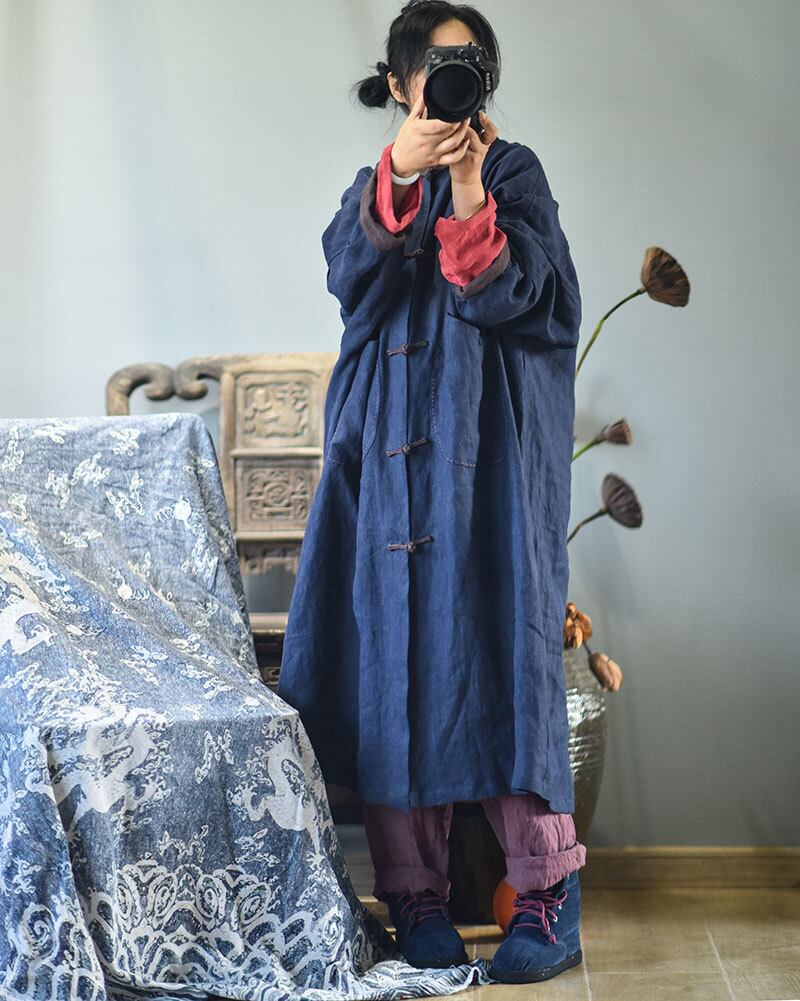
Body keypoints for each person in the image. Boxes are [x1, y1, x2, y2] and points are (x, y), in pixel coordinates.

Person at [278, 0, 587, 984]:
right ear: (401, 82)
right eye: (441, 65)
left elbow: (522, 298)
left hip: (486, 465)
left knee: (506, 651)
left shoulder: (513, 173)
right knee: (391, 662)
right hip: (385, 468)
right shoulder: (376, 183)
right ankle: (411, 893)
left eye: (472, 66)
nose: (457, 82)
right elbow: (347, 277)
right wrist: (400, 175)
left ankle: (546, 893)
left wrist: (464, 188)